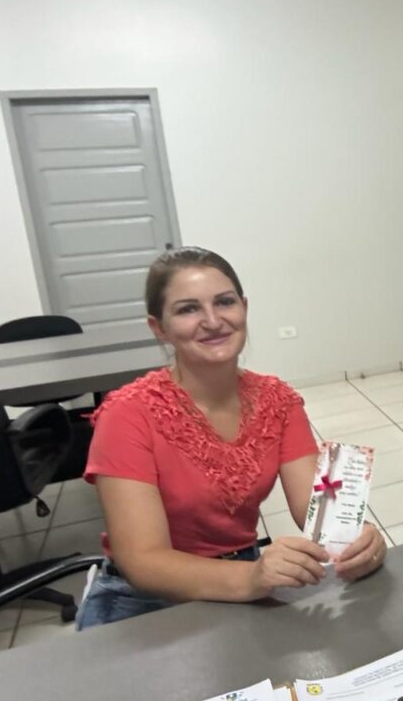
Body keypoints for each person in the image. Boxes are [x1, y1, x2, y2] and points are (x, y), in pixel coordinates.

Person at [77, 247, 387, 629]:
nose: (212, 320)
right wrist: (252, 580)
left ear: (243, 307)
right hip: (144, 601)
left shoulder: (278, 401)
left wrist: (358, 538)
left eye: (224, 302)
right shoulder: (128, 414)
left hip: (244, 577)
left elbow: (316, 505)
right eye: (188, 309)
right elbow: (144, 561)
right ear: (159, 327)